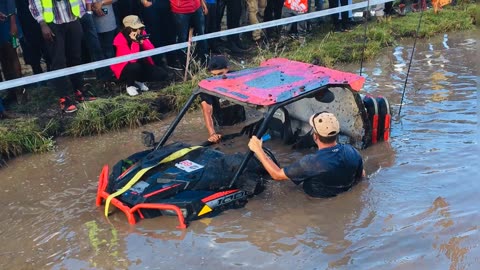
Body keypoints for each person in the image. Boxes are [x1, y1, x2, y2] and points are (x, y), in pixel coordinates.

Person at [248, 112, 365, 198]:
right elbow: (362, 176)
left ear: (315, 136)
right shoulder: (352, 151)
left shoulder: (311, 162)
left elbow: (277, 175)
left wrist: (258, 150)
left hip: (314, 201)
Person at [29, 0, 95, 113]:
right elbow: (34, 4)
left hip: (72, 18)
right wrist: (42, 23)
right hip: (52, 23)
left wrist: (84, 12)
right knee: (58, 61)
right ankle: (64, 98)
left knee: (75, 57)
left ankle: (79, 90)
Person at [110, 15, 168, 96]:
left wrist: (143, 42)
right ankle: (129, 85)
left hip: (141, 64)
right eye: (135, 29)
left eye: (140, 28)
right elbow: (131, 60)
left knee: (162, 74)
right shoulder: (119, 39)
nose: (138, 30)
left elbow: (152, 50)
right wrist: (135, 43)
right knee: (135, 67)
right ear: (128, 29)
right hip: (126, 68)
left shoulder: (141, 32)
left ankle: (139, 81)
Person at [200, 55, 230, 143]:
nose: (217, 78)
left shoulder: (239, 77)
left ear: (227, 68)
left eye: (220, 74)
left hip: (241, 119)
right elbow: (207, 112)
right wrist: (212, 134)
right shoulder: (207, 87)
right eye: (214, 75)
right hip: (222, 126)